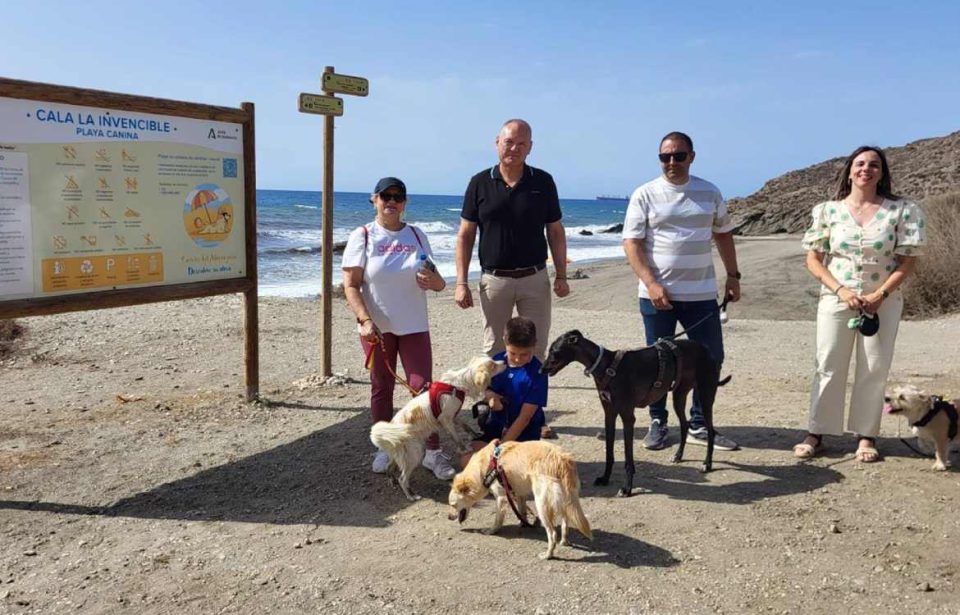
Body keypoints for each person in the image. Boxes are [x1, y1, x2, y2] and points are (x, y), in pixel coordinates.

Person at [794, 146, 926, 462]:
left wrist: (879, 295)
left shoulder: (902, 210)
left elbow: (907, 261)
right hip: (837, 298)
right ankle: (817, 431)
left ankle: (867, 436)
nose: (866, 169)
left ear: (882, 173)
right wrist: (840, 290)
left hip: (884, 300)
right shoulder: (827, 210)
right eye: (860, 163)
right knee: (827, 363)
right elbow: (814, 259)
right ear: (850, 170)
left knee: (874, 367)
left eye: (874, 165)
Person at [622, 131, 741, 452]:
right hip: (656, 296)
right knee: (657, 363)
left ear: (692, 156)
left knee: (711, 358)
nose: (671, 162)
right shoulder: (645, 194)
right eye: (665, 157)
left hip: (701, 295)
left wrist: (733, 275)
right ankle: (658, 422)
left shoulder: (709, 192)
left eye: (678, 155)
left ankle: (700, 424)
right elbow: (631, 243)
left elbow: (724, 234)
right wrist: (651, 283)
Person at [455, 119, 567, 439]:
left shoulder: (543, 182)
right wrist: (461, 282)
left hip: (534, 278)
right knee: (494, 351)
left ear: (530, 147)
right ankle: (495, 411)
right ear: (496, 143)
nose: (513, 149)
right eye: (508, 142)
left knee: (536, 350)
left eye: (521, 144)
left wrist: (561, 275)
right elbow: (465, 235)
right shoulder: (480, 182)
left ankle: (535, 418)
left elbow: (555, 231)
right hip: (495, 280)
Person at [341, 177, 455, 479]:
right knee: (382, 388)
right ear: (374, 200)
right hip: (377, 329)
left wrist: (436, 282)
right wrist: (365, 321)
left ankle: (432, 452)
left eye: (398, 197)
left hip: (414, 325)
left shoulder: (416, 235)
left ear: (404, 203)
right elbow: (350, 285)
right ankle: (386, 448)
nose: (391, 202)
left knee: (423, 390)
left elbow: (439, 281)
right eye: (385, 196)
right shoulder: (363, 235)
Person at [462, 317, 547, 466]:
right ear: (504, 341)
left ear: (534, 345)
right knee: (466, 459)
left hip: (521, 436)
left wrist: (501, 448)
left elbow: (525, 417)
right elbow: (487, 388)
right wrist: (491, 398)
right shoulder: (497, 361)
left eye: (524, 354)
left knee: (482, 464)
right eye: (513, 353)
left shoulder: (538, 373)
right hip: (495, 429)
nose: (517, 359)